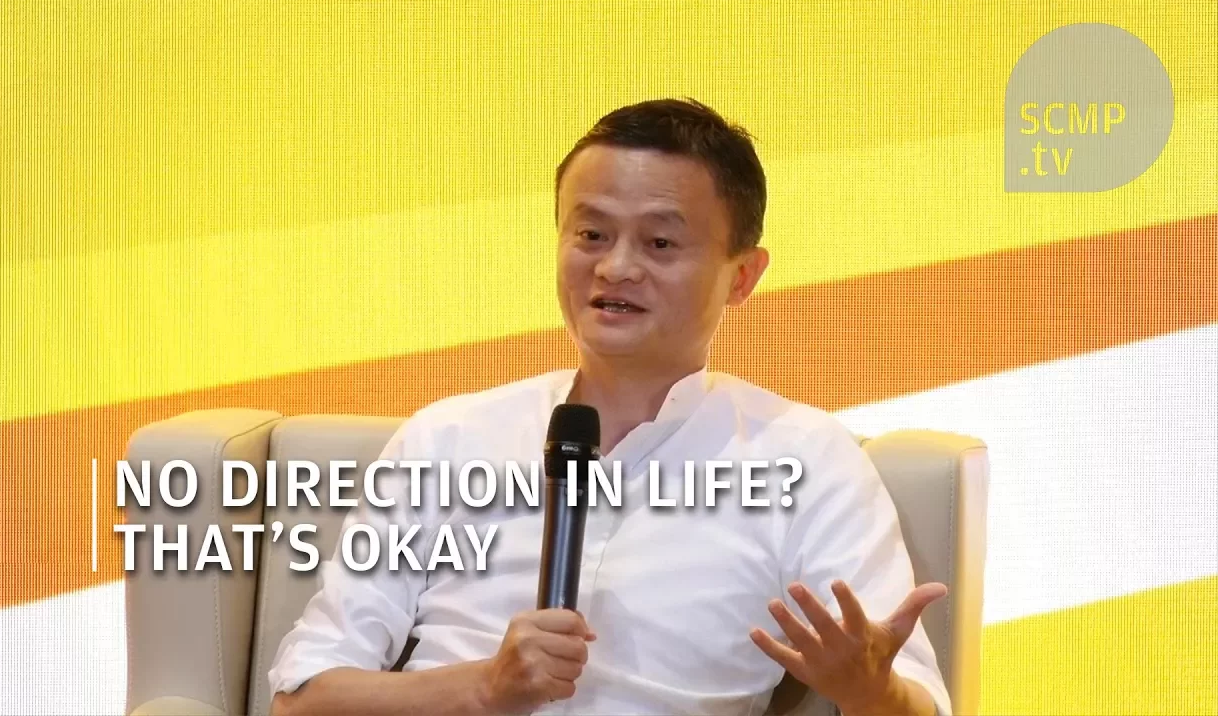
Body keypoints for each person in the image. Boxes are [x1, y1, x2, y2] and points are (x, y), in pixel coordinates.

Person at [268, 97, 952, 716]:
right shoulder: (447, 438)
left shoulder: (805, 459)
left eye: (660, 242)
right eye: (591, 234)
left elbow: (915, 703)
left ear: (742, 276)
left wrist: (871, 692)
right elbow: (302, 700)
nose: (615, 267)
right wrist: (482, 689)